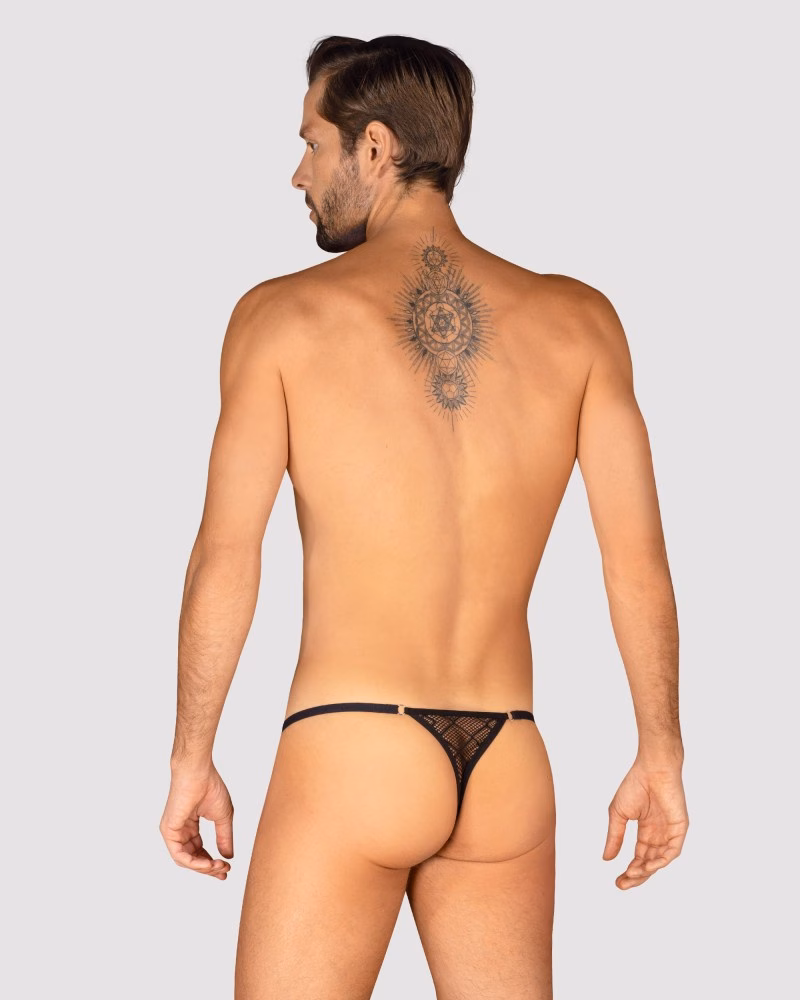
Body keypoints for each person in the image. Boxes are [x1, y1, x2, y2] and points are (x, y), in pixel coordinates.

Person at [159, 33, 688, 999]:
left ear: (374, 146)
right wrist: (662, 751)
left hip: (352, 742)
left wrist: (192, 756)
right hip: (510, 758)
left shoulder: (281, 317)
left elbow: (226, 556)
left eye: (312, 144)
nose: (298, 174)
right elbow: (637, 565)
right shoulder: (581, 322)